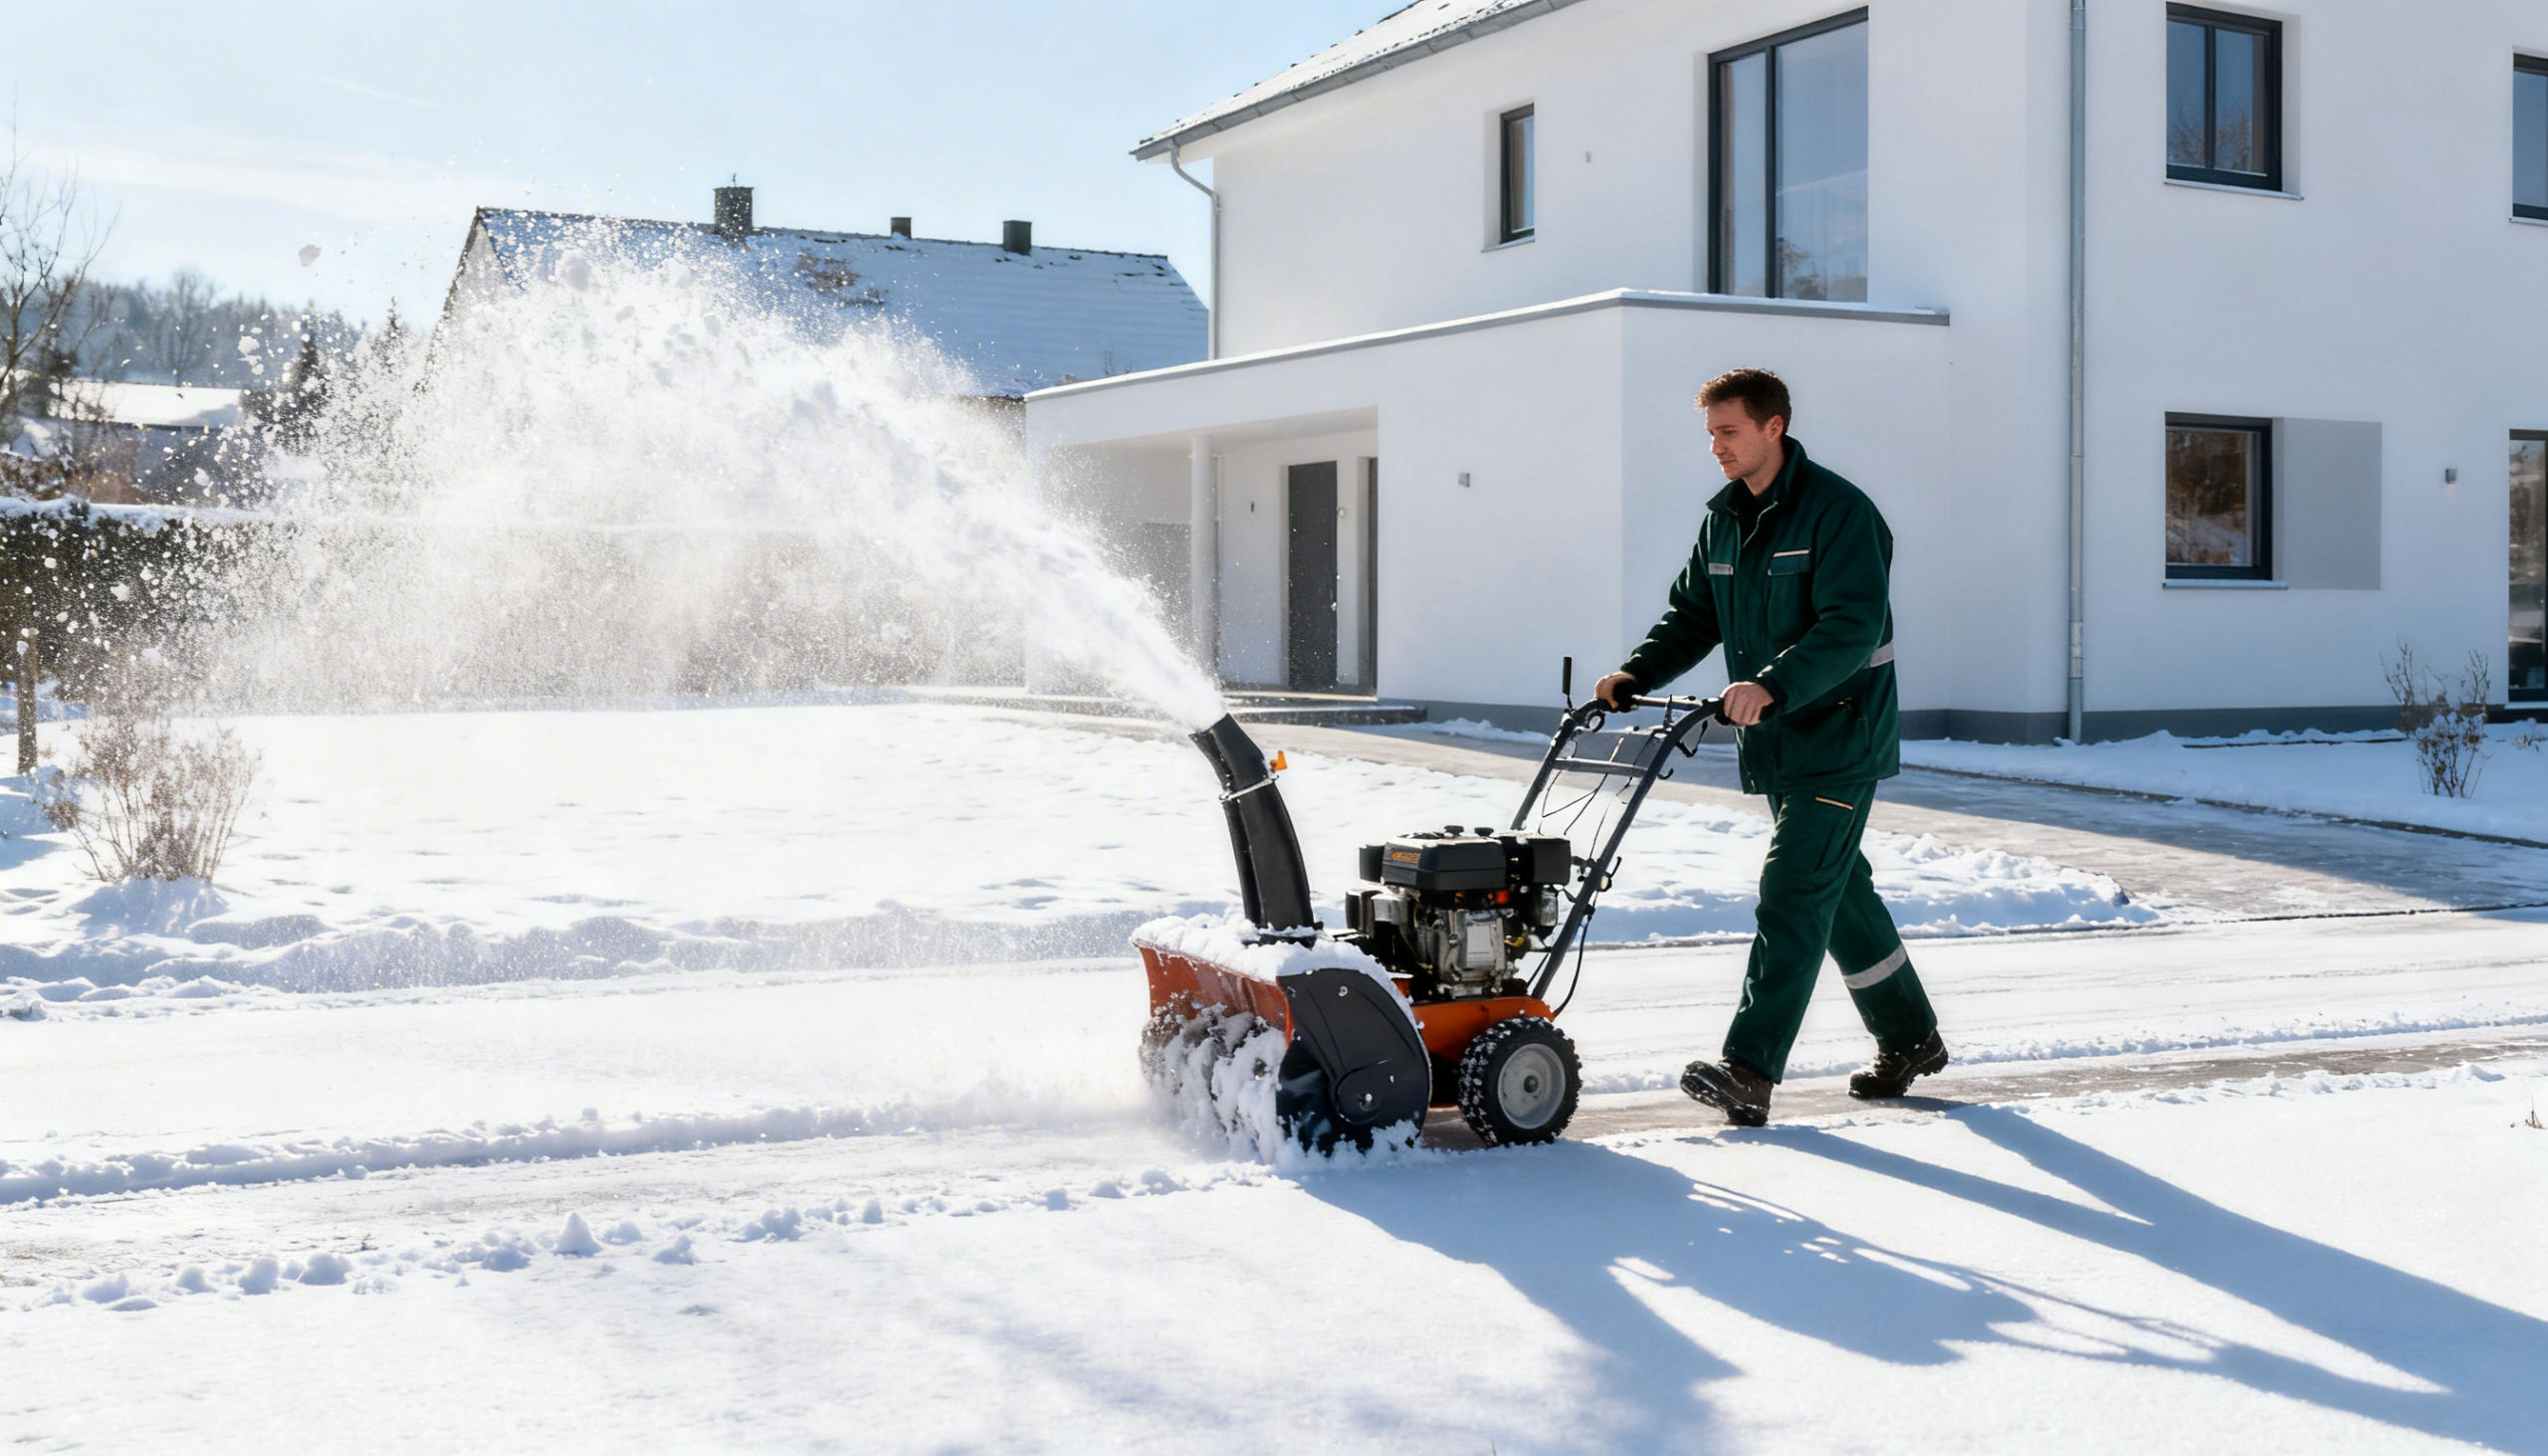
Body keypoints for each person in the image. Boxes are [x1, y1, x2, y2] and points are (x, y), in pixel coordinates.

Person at [1592, 368, 1947, 1127]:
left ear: (1772, 427)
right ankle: (1911, 1037)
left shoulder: (1841, 513)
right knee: (1839, 892)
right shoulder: (1725, 519)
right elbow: (1693, 615)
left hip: (1840, 735)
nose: (1716, 448)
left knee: (1792, 890)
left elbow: (1849, 627)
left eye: (1729, 432)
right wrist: (1636, 671)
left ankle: (1749, 1068)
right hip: (1780, 744)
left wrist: (1773, 685)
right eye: (1711, 433)